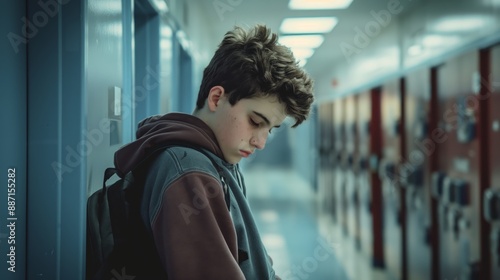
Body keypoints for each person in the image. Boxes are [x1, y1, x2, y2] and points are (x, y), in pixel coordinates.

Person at [113, 24, 314, 279]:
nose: (260, 142)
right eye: (255, 121)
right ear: (217, 98)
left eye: (270, 130)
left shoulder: (218, 161)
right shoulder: (188, 171)